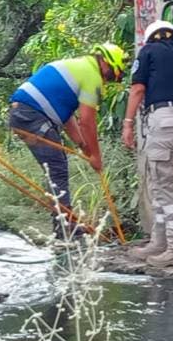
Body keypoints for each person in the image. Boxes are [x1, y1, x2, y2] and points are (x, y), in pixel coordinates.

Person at [9, 43, 128, 238]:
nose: (107, 81)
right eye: (110, 76)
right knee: (57, 168)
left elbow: (66, 117)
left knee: (56, 166)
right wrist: (96, 156)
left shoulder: (78, 67)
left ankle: (64, 225)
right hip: (31, 116)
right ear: (106, 63)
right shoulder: (92, 76)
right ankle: (65, 229)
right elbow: (87, 122)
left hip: (24, 114)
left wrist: (83, 147)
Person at [122, 20, 173, 267]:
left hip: (165, 123)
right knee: (161, 185)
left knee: (167, 187)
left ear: (150, 38)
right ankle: (159, 242)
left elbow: (137, 89)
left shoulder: (148, 53)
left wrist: (128, 123)